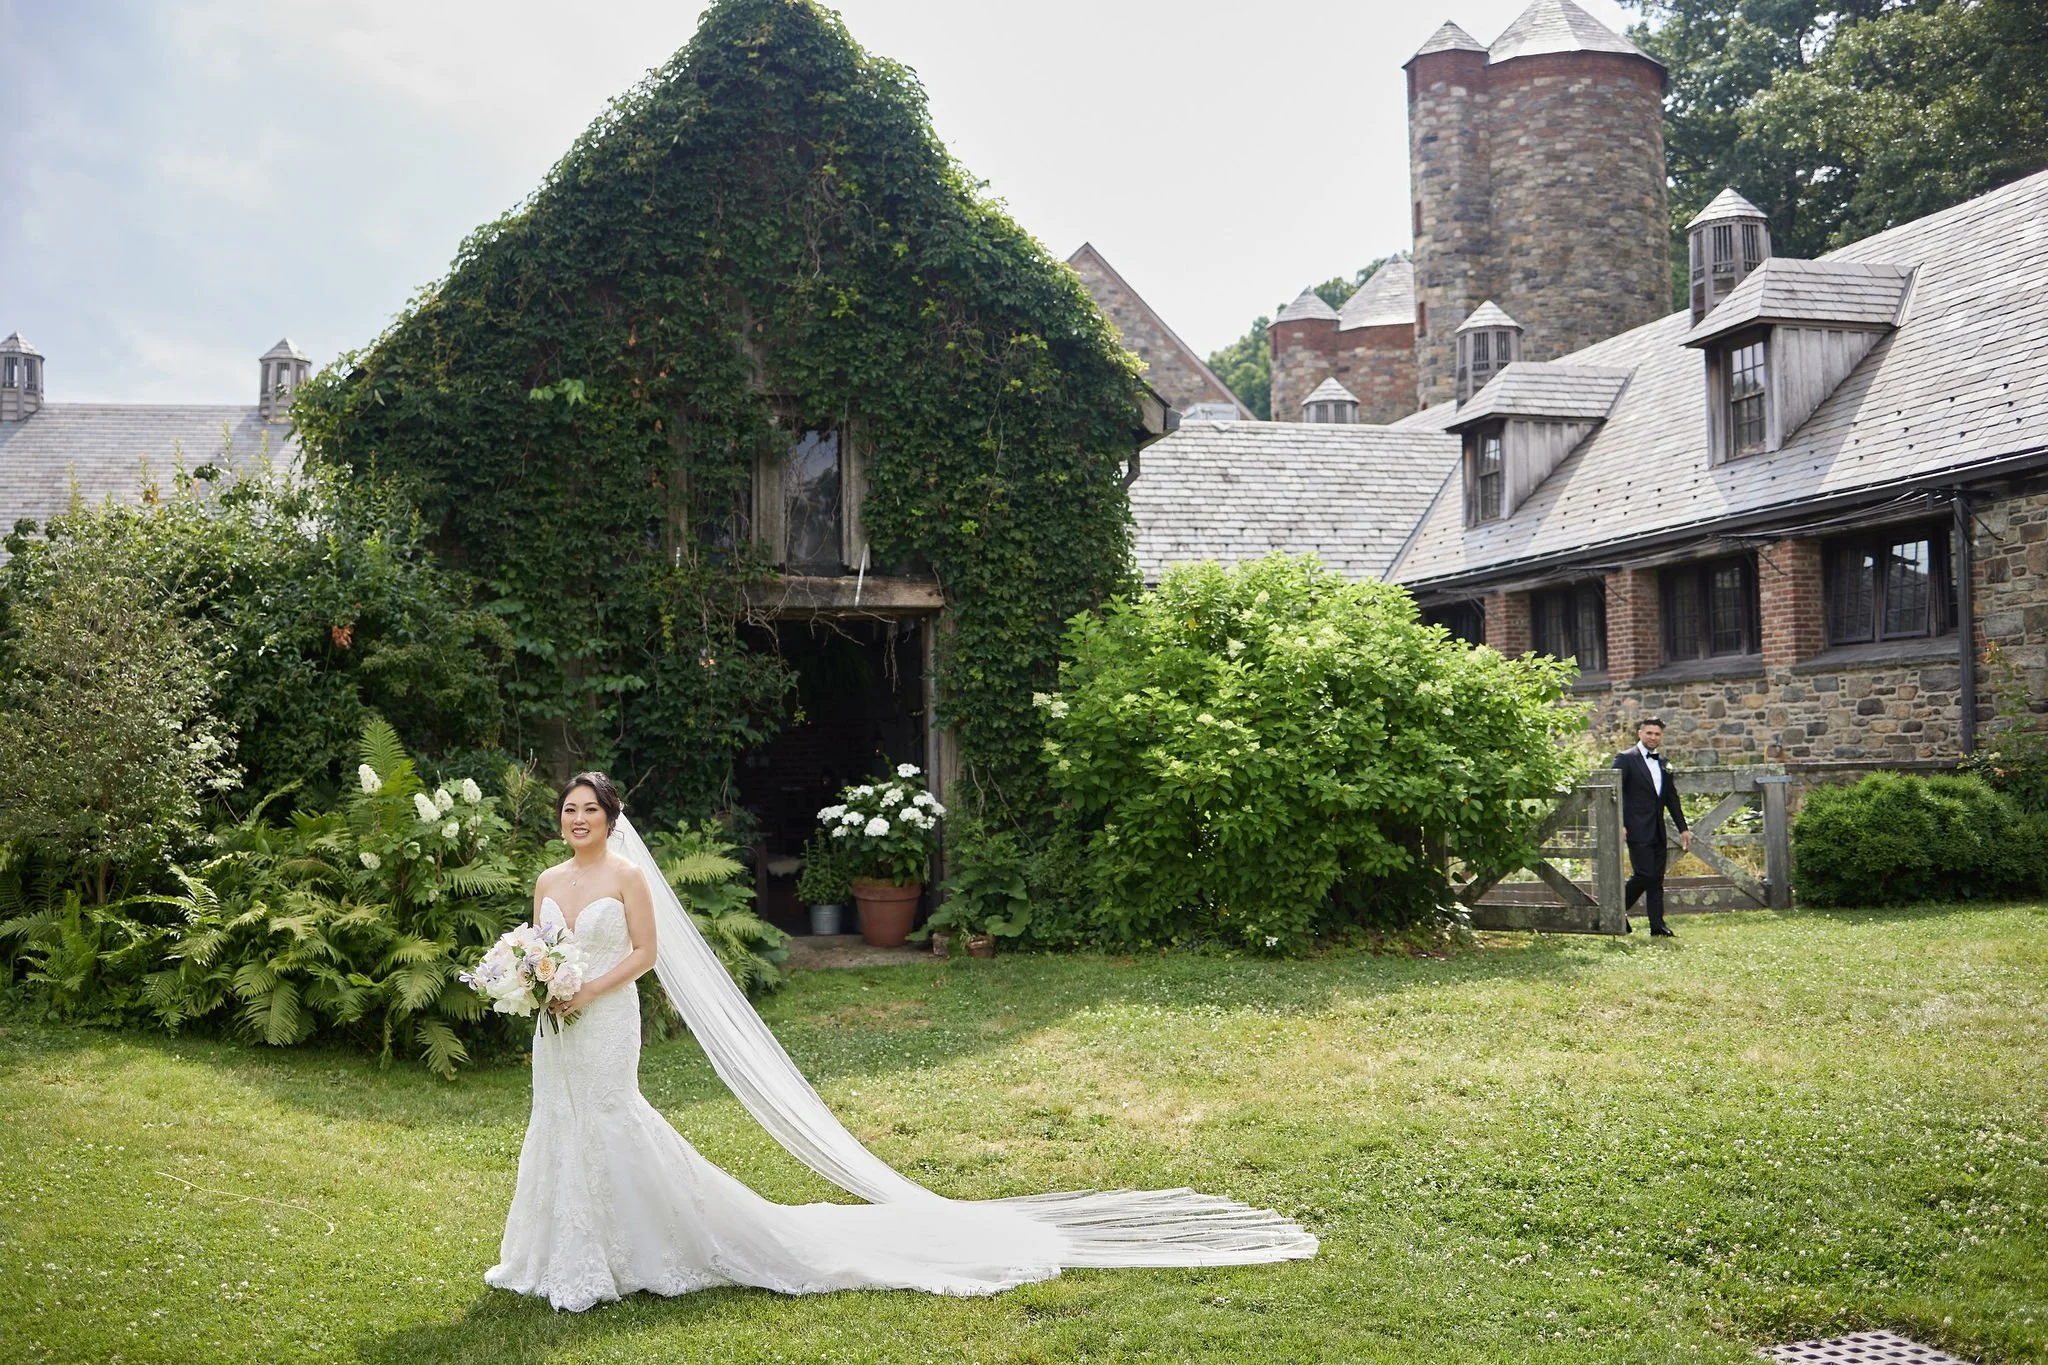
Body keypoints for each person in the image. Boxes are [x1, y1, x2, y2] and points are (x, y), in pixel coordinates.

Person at [486, 772, 1315, 1312]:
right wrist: (534, 979)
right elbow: (539, 941)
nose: (577, 820)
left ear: (612, 818)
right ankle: (557, 1252)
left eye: (589, 809)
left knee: (614, 1118)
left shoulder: (628, 877)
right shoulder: (549, 880)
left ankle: (639, 1245)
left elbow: (646, 953)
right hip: (556, 1028)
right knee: (557, 1123)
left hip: (606, 1013)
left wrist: (589, 985)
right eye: (568, 810)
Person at [1612, 718, 1690, 938]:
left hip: (1658, 829)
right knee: (1644, 874)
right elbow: (1613, 793)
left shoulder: (1663, 762)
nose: (1653, 737)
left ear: (1661, 736)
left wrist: (1683, 828)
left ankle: (1658, 926)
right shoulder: (1625, 759)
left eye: (1657, 734)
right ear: (1640, 733)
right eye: (1649, 733)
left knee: (1656, 879)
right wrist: (1619, 824)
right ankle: (1615, 911)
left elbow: (1671, 799)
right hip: (1635, 828)